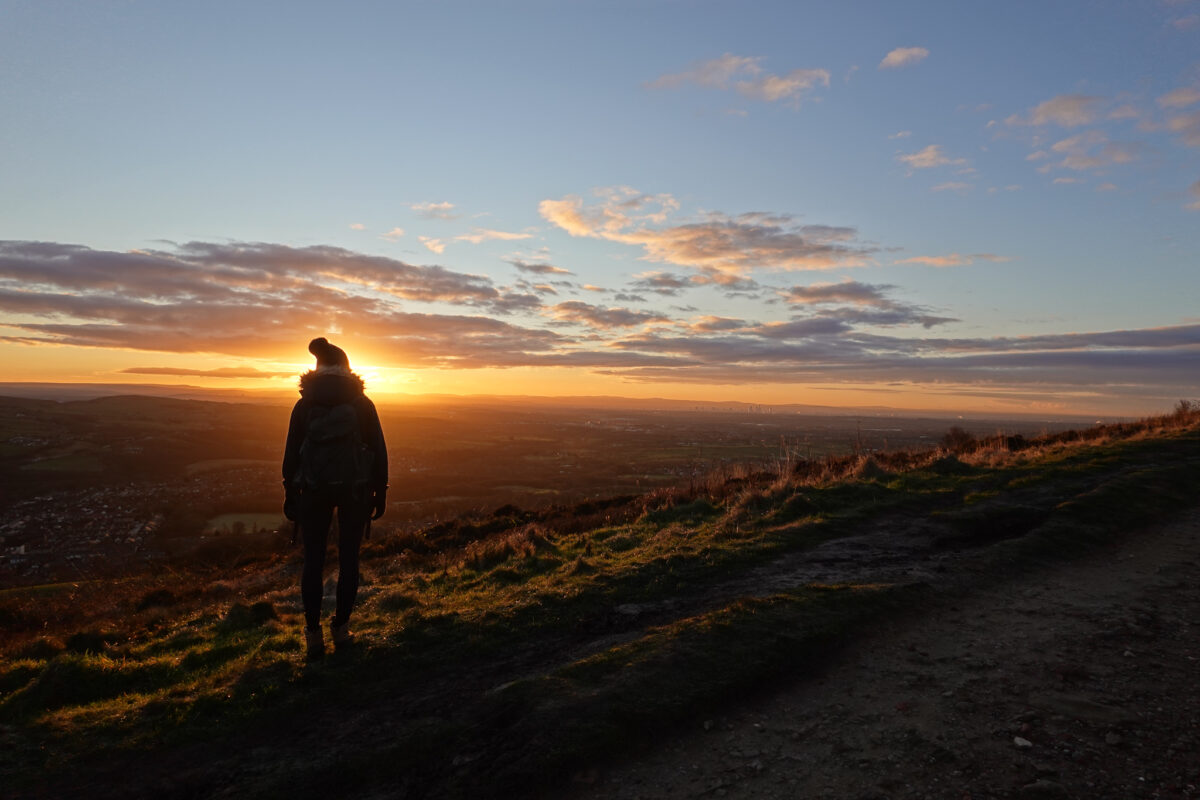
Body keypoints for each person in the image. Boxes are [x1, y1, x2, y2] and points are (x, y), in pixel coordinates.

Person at [282, 337, 388, 660]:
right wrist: (379, 492)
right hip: (354, 490)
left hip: (312, 491)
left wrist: (290, 492)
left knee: (313, 561)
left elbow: (291, 456)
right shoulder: (362, 405)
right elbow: (379, 451)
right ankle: (341, 630)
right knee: (349, 561)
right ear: (346, 369)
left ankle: (313, 636)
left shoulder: (304, 406)